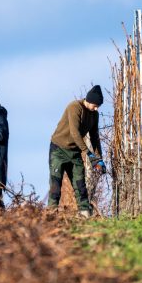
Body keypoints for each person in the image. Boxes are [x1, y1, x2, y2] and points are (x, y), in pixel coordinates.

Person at [47, 85, 106, 217]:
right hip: (59, 150)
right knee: (56, 184)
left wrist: (99, 158)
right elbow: (75, 133)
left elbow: (95, 136)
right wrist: (88, 153)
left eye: (98, 106)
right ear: (89, 100)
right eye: (95, 105)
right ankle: (51, 215)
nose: (96, 108)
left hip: (75, 152)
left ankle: (85, 214)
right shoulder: (74, 107)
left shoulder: (94, 115)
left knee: (80, 185)